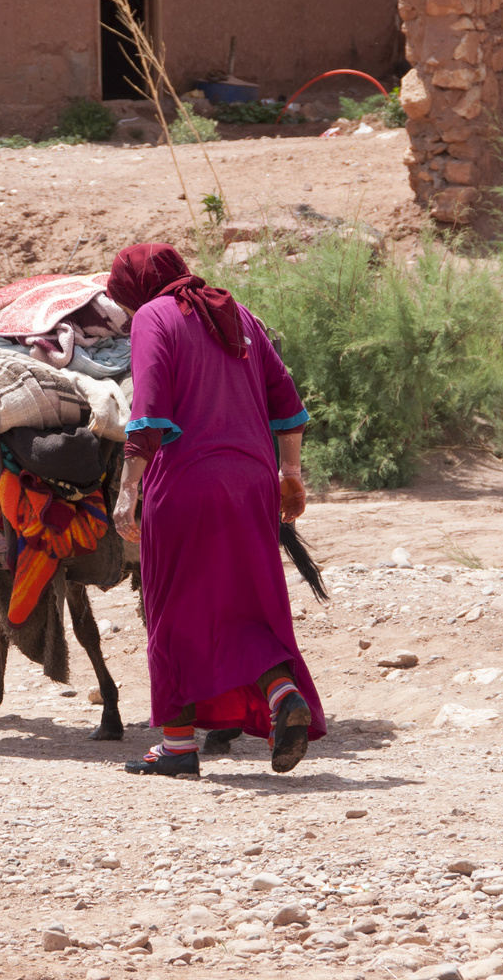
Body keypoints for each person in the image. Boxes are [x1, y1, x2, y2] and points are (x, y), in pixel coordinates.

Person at [107, 243, 324, 777]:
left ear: (137, 289)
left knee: (173, 611)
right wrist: (290, 474)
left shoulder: (154, 317)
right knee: (245, 603)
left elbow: (149, 409)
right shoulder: (236, 312)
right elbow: (288, 400)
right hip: (252, 483)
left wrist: (128, 489)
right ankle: (281, 696)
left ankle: (178, 748)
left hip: (186, 484)